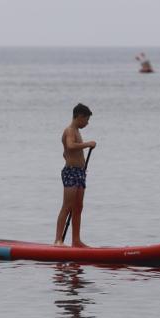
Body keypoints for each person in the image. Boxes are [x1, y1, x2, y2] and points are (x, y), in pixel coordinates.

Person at [54, 103, 95, 247]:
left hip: (79, 173)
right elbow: (70, 146)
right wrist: (87, 144)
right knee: (67, 206)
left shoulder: (77, 131)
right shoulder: (70, 130)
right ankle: (58, 240)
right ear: (79, 116)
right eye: (86, 120)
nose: (87, 123)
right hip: (71, 172)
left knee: (78, 207)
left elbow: (66, 152)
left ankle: (76, 241)